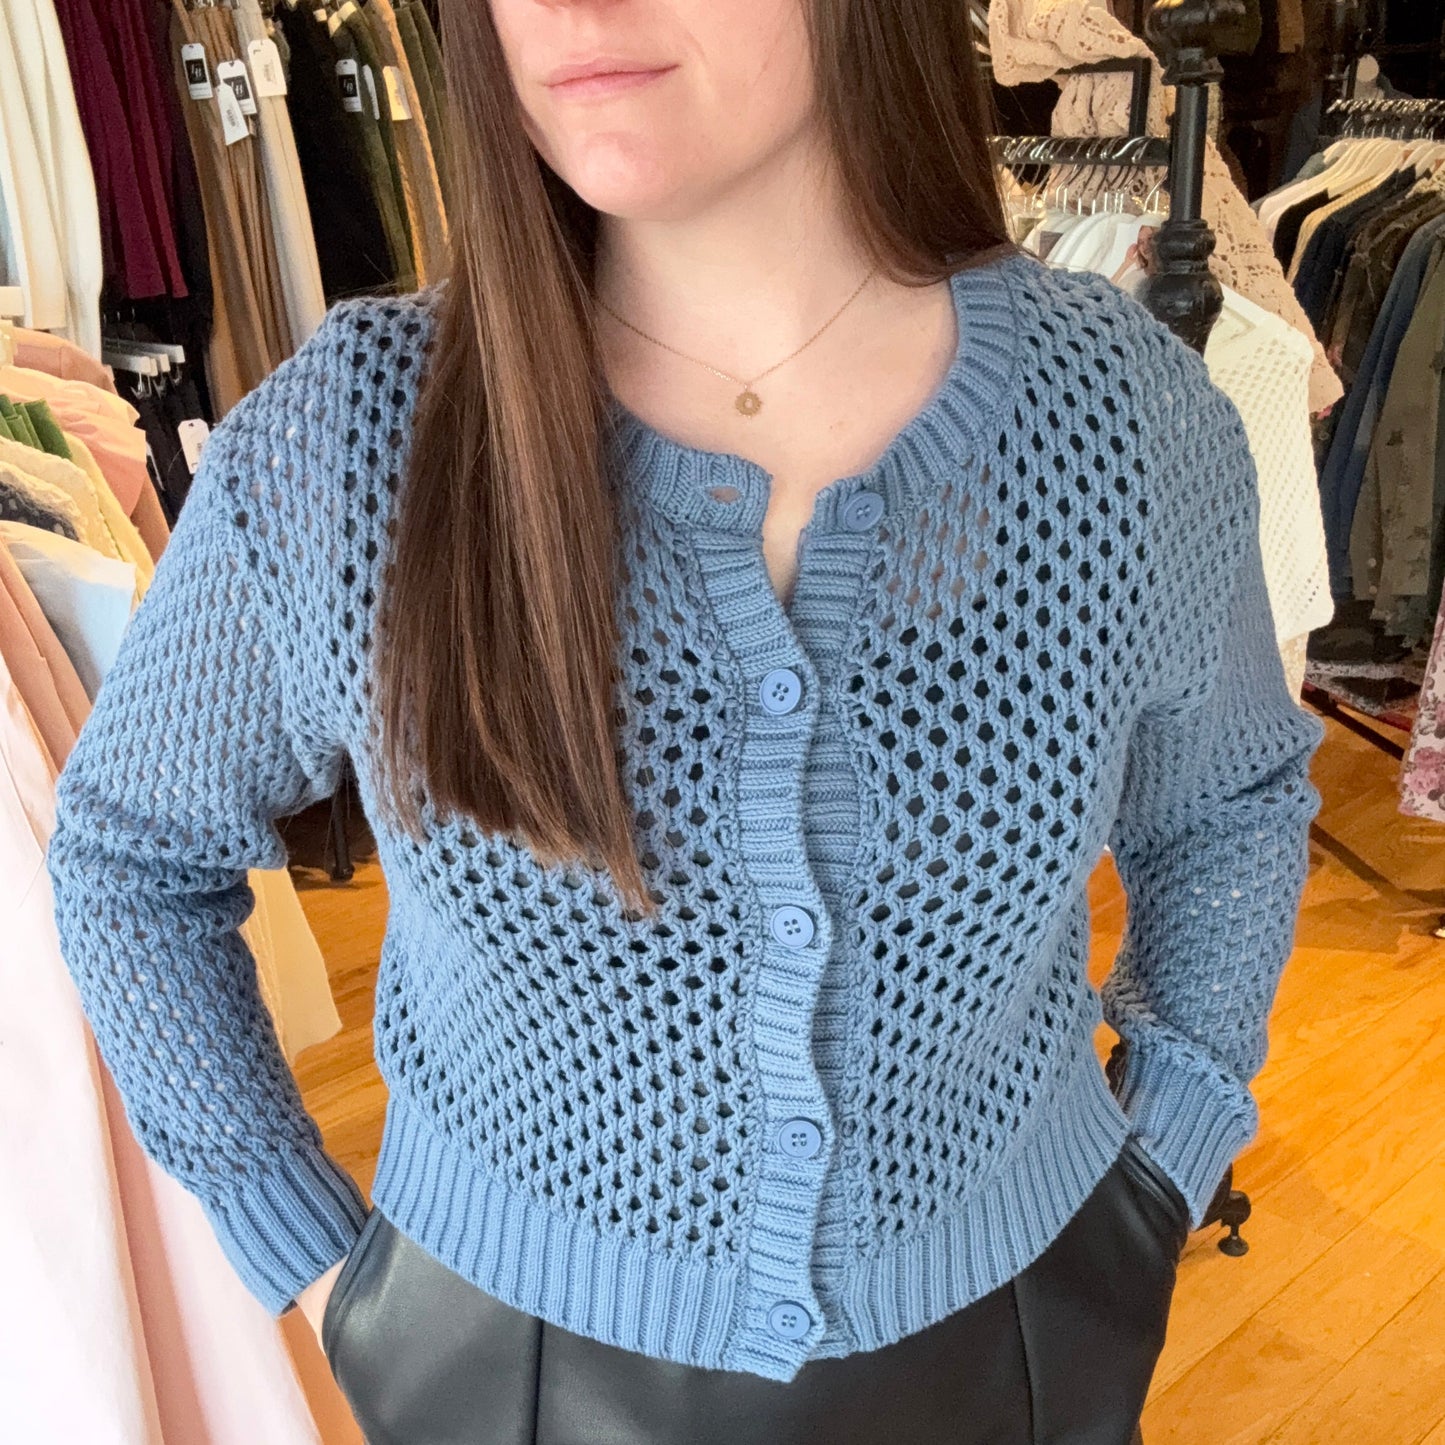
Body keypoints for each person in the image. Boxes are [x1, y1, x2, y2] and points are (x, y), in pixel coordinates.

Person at [45, 0, 1327, 1441]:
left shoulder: (1118, 417)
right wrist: (310, 1251)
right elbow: (131, 853)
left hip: (1014, 1327)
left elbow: (1228, 802)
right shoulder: (356, 438)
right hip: (500, 1358)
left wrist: (1165, 1148)